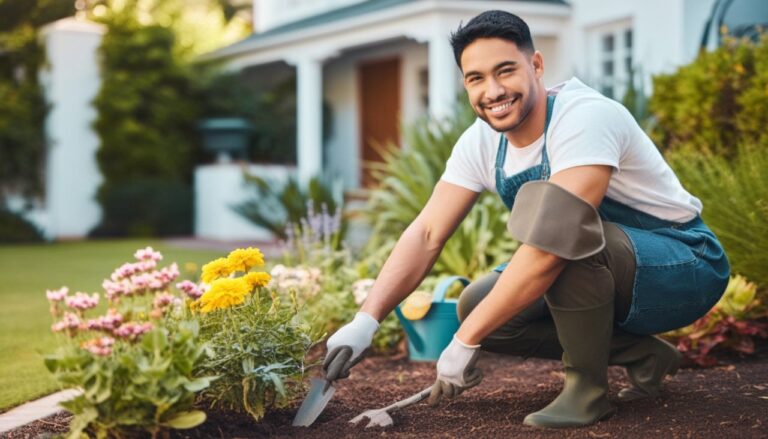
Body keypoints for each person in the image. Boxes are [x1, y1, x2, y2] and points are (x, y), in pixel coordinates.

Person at [322, 10, 730, 428]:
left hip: (685, 265)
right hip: (609, 263)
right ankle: (642, 355)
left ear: (536, 65)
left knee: (567, 242)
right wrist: (365, 321)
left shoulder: (584, 117)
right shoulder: (481, 142)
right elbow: (427, 233)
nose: (493, 91)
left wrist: (464, 341)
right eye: (476, 78)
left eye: (505, 71)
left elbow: (554, 246)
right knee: (478, 305)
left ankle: (587, 392)